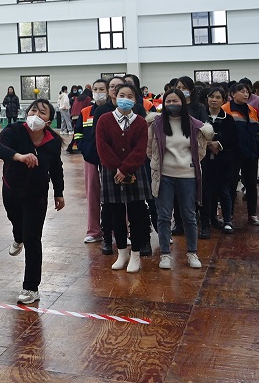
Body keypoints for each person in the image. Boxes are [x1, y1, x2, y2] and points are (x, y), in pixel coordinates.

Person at [0, 98, 65, 305]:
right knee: (16, 221)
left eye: (42, 112)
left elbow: (56, 168)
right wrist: (18, 156)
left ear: (49, 121)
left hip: (37, 196)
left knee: (33, 239)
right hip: (12, 189)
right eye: (33, 111)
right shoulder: (14, 130)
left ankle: (31, 288)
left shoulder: (52, 142)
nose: (36, 115)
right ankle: (18, 237)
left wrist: (59, 192)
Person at [148, 89, 211, 270]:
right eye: (168, 101)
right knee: (164, 216)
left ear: (183, 102)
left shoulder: (194, 125)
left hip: (187, 176)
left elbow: (200, 151)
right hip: (164, 176)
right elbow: (149, 149)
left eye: (175, 101)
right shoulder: (156, 124)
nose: (171, 104)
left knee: (189, 216)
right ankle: (165, 254)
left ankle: (192, 253)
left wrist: (188, 164)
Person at [96, 83, 151, 273]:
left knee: (137, 214)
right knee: (116, 214)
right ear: (115, 97)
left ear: (135, 100)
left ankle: (135, 254)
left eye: (130, 96)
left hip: (135, 171)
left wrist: (125, 169)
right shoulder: (104, 119)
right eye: (121, 95)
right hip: (111, 171)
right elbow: (102, 147)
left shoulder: (140, 122)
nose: (125, 99)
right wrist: (117, 169)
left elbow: (141, 149)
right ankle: (122, 252)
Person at [223, 83, 259, 229]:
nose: (246, 94)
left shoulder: (252, 110)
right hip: (233, 154)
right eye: (242, 91)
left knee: (251, 184)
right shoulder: (226, 109)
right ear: (233, 94)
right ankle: (228, 215)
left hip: (250, 153)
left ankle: (252, 214)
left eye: (247, 92)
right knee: (231, 184)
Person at [201, 87, 238, 239]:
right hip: (205, 162)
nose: (214, 100)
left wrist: (219, 144)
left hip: (223, 162)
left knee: (224, 190)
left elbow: (233, 139)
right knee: (206, 192)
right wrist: (207, 144)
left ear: (223, 100)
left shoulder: (228, 119)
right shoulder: (201, 117)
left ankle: (227, 220)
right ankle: (206, 222)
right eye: (211, 97)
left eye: (218, 97)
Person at [77, 80, 109, 247]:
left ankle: (120, 231)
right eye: (95, 89)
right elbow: (78, 133)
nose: (98, 92)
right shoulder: (85, 112)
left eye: (102, 89)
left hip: (110, 160)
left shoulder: (113, 111)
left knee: (115, 197)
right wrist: (84, 149)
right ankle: (94, 232)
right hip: (90, 158)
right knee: (92, 195)